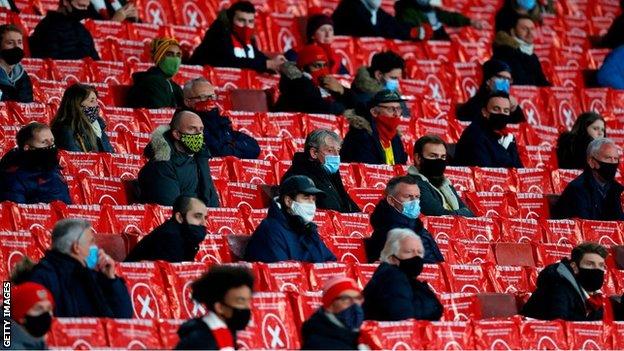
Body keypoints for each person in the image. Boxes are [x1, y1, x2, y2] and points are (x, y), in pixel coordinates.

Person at [26, 219, 133, 318]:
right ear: (76, 248)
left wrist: (111, 279)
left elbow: (123, 317)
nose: (96, 247)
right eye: (91, 242)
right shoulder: (43, 277)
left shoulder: (93, 275)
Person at [244, 175, 337, 263]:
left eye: (313, 199)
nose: (312, 204)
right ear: (288, 201)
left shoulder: (308, 229)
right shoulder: (271, 230)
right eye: (306, 198)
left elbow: (330, 261)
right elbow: (283, 274)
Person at [138, 110, 220, 207]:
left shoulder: (201, 159)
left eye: (201, 129)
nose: (199, 135)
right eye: (192, 129)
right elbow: (170, 209)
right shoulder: (161, 165)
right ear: (177, 134)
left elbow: (213, 203)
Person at [363, 228, 443, 321]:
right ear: (392, 257)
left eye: (419, 252)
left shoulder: (405, 278)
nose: (416, 257)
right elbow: (404, 320)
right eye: (408, 252)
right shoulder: (393, 280)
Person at [188, 1, 286, 72]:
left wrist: (275, 63)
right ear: (230, 21)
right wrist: (268, 64)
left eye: (250, 21)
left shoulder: (247, 39)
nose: (246, 26)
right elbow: (229, 61)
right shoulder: (218, 33)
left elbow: (255, 57)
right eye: (241, 20)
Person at [522, 242, 608, 321]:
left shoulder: (596, 297)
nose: (597, 270)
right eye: (590, 264)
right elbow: (559, 323)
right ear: (574, 267)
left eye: (601, 265)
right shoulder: (557, 287)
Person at [366, 176, 444, 263]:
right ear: (391, 200)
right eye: (408, 196)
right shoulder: (387, 231)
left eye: (417, 197)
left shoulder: (416, 226)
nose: (414, 201)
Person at [176, 265, 254, 350]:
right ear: (219, 307)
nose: (247, 307)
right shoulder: (201, 342)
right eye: (241, 301)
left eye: (249, 301)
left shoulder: (226, 332)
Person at [282, 129, 360, 213]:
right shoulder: (298, 177)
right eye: (330, 150)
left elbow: (348, 205)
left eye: (338, 150)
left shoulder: (330, 174)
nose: (337, 156)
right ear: (314, 153)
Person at [182, 77, 260, 159]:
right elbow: (218, 152)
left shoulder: (219, 120)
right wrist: (233, 147)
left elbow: (255, 149)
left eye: (212, 96)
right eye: (203, 97)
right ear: (188, 102)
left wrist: (234, 144)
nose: (210, 100)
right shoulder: (187, 123)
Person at [552, 138, 624, 221]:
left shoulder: (619, 190)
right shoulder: (577, 190)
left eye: (615, 159)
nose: (612, 163)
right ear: (591, 161)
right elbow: (585, 226)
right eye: (608, 158)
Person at [0, 122, 71, 204]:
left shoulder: (51, 166)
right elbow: (15, 211)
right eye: (44, 142)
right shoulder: (14, 177)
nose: (51, 145)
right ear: (27, 148)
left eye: (52, 141)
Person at [274, 44, 354, 114]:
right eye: (317, 66)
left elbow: (357, 103)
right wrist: (344, 110)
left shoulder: (324, 83)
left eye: (325, 65)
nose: (322, 70)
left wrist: (341, 90)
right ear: (303, 68)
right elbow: (318, 106)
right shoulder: (297, 83)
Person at [125, 196, 208, 262]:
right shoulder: (168, 237)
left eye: (205, 218)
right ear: (179, 217)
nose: (204, 223)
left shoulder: (183, 234)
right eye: (197, 216)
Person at [407, 135, 474, 217]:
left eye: (443, 157)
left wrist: (461, 213)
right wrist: (462, 213)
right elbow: (440, 215)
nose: (439, 161)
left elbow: (469, 213)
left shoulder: (444, 182)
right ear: (418, 158)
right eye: (433, 156)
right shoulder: (413, 184)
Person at [453, 92, 523, 168]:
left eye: (506, 111)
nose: (501, 114)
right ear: (484, 112)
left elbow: (519, 169)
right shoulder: (474, 134)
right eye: (496, 109)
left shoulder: (507, 137)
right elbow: (485, 171)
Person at [341, 90, 409, 165]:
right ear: (374, 112)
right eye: (390, 109)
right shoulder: (360, 137)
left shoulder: (395, 138)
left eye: (398, 109)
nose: (396, 114)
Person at [301, 276, 364, 350]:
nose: (355, 304)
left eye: (358, 298)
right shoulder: (319, 343)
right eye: (345, 299)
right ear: (329, 306)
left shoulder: (362, 335)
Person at [455, 59, 525, 123]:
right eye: (500, 77)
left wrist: (515, 108)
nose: (505, 82)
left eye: (508, 79)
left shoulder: (510, 102)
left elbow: (521, 125)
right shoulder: (475, 103)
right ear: (488, 80)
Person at [50, 83, 114, 153]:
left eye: (96, 100)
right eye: (91, 101)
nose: (97, 105)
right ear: (77, 104)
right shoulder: (66, 130)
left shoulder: (99, 125)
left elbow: (110, 155)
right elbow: (74, 159)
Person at [29, 0, 100, 60]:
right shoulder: (47, 26)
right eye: (80, 6)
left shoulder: (82, 29)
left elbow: (95, 60)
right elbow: (50, 59)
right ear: (65, 2)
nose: (85, 10)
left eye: (86, 6)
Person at [491, 15, 550, 86]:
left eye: (532, 29)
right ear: (513, 31)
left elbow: (541, 82)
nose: (530, 33)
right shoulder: (504, 52)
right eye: (524, 29)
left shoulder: (533, 56)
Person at [126, 37, 184, 109]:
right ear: (159, 57)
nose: (175, 59)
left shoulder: (174, 86)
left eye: (178, 55)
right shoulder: (151, 82)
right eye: (169, 54)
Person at [285, 12, 349, 75]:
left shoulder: (336, 57)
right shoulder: (296, 53)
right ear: (313, 35)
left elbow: (346, 78)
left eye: (330, 30)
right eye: (323, 30)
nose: (328, 34)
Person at [332, 0, 431, 40]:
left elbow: (393, 24)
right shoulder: (350, 6)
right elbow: (372, 32)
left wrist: (413, 30)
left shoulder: (376, 11)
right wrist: (409, 33)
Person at [351, 51, 409, 116]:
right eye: (393, 78)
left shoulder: (392, 92)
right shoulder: (362, 96)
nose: (396, 82)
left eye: (397, 78)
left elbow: (406, 117)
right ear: (379, 75)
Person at [394, 0, 487, 40]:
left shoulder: (432, 10)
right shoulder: (407, 11)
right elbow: (409, 29)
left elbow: (450, 17)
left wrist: (470, 21)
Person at [8, 282, 54, 350]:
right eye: (38, 309)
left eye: (49, 308)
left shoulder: (39, 344)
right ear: (21, 316)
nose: (46, 314)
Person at [0, 24, 33, 102]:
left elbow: (27, 106)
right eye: (10, 43)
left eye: (19, 42)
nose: (17, 47)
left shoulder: (22, 76)